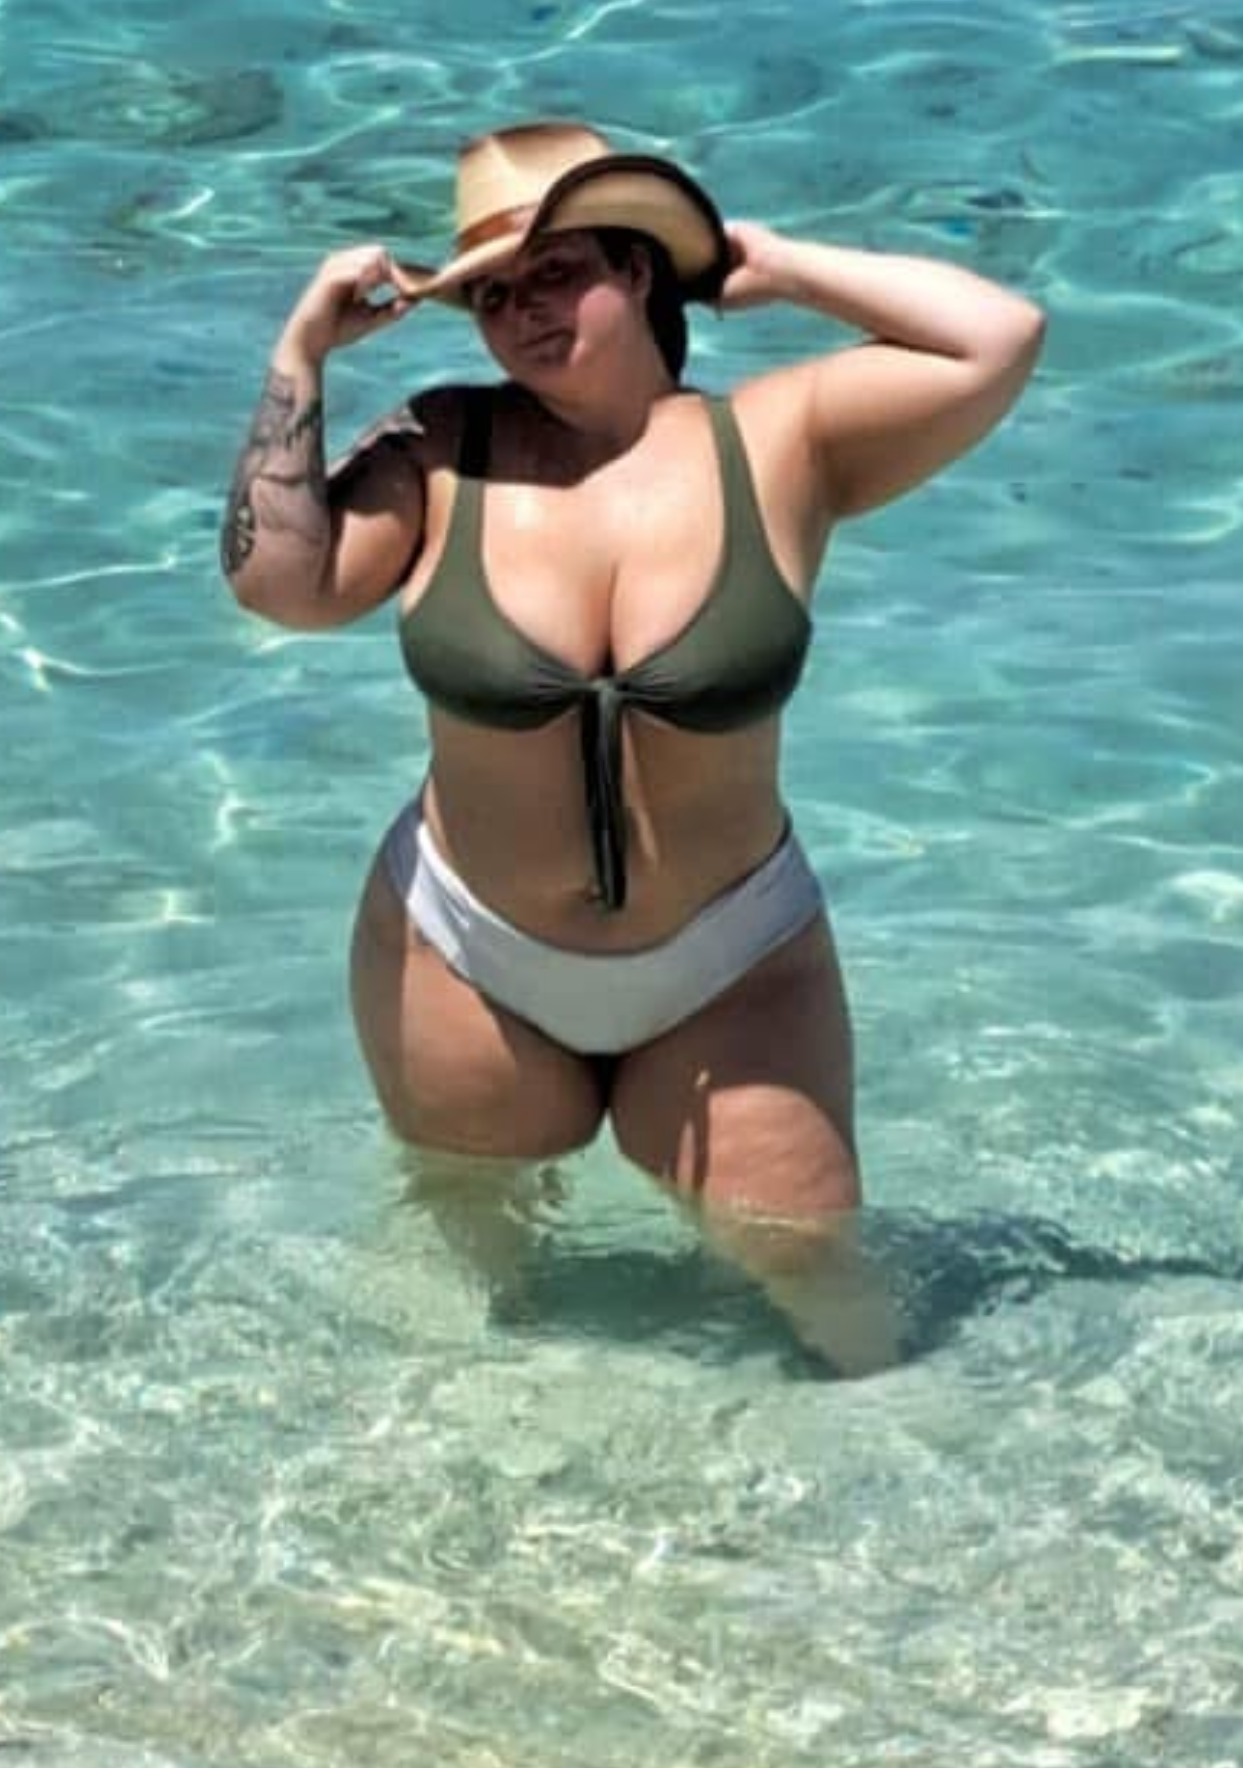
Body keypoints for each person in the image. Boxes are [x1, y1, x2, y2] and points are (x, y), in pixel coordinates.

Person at [221, 121, 1045, 1370]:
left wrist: (780, 266)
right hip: (462, 954)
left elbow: (1000, 335)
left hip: (733, 963)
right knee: (464, 1316)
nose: (523, 312)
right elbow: (282, 586)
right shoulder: (443, 449)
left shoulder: (782, 439)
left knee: (842, 1316)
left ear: (640, 267)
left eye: (557, 272)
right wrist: (301, 353)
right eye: (492, 294)